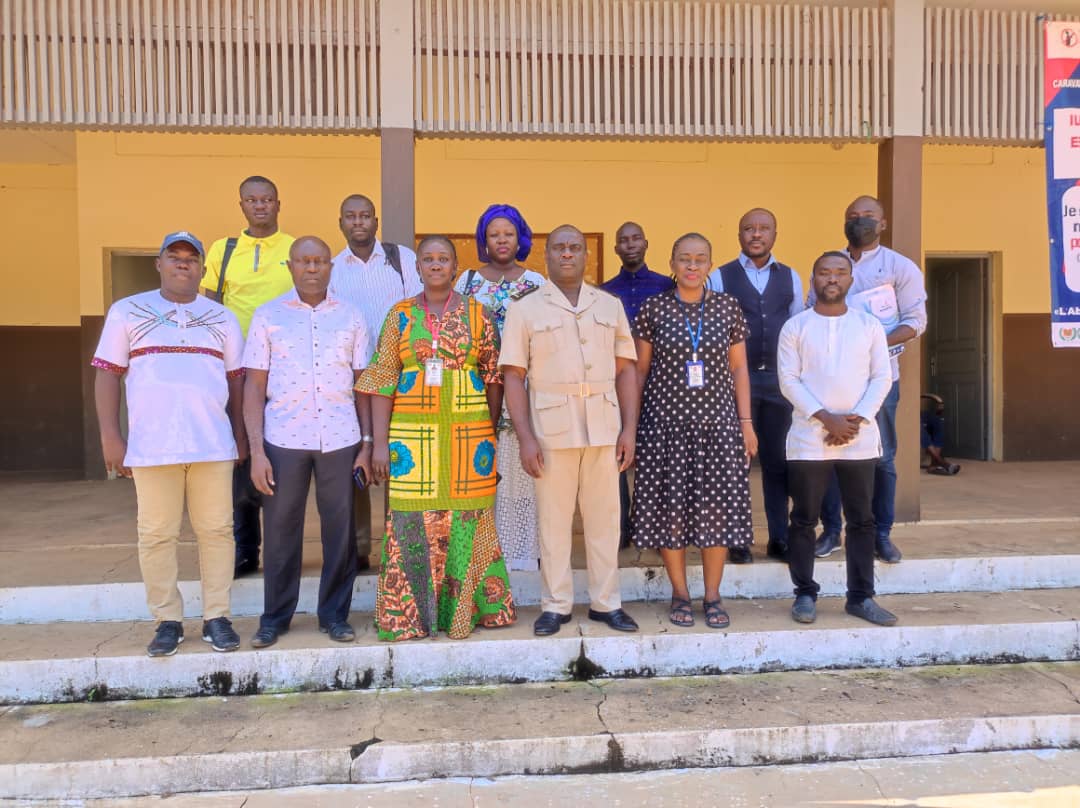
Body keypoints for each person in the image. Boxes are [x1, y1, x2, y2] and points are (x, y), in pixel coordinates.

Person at [93, 231, 246, 657]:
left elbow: (236, 382)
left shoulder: (222, 317)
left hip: (212, 445)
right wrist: (110, 436)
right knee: (157, 535)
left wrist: (240, 437)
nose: (183, 263)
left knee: (217, 532)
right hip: (152, 447)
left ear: (201, 268)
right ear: (158, 264)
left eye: (191, 258)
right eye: (174, 256)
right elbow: (107, 374)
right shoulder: (127, 311)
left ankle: (217, 616)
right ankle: (167, 621)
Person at [358, 235, 516, 642]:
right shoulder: (400, 315)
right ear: (417, 268)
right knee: (410, 516)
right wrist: (378, 443)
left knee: (469, 516)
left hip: (469, 436)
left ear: (455, 267)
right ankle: (410, 617)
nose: (435, 265)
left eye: (443, 259)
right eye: (427, 258)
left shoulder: (478, 314)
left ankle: (463, 613)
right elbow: (382, 379)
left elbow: (493, 376)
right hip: (410, 439)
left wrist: (489, 433)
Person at [501, 224, 640, 636]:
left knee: (605, 522)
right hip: (550, 430)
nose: (567, 254)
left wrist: (629, 430)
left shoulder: (609, 305)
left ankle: (606, 602)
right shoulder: (525, 309)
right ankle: (556, 605)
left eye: (574, 247)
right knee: (553, 523)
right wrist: (525, 437)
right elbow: (513, 376)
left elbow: (626, 370)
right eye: (559, 248)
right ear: (546, 257)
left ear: (585, 256)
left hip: (604, 427)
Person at [242, 236, 372, 648]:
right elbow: (253, 386)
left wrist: (367, 444)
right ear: (290, 266)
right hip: (283, 439)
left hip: (340, 437)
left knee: (340, 531)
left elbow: (363, 385)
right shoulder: (268, 316)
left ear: (331, 267)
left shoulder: (351, 316)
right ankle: (275, 618)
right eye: (304, 261)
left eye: (319, 261)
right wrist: (257, 451)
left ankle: (334, 615)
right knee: (281, 530)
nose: (312, 268)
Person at [631, 233, 757, 629]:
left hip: (718, 427)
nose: (692, 265)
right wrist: (631, 426)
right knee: (670, 511)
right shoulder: (653, 309)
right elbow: (639, 371)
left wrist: (746, 423)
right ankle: (680, 593)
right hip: (664, 428)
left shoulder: (727, 307)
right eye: (684, 258)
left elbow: (739, 368)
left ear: (709, 265)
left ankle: (713, 595)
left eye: (700, 259)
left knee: (716, 511)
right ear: (671, 263)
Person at [778, 251, 896, 626]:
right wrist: (827, 419)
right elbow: (788, 380)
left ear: (850, 280)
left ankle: (860, 597)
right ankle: (804, 593)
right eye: (824, 272)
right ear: (813, 279)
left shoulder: (869, 325)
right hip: (808, 437)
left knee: (861, 520)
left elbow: (882, 377)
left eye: (840, 272)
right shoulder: (795, 327)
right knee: (803, 519)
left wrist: (854, 420)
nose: (832, 278)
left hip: (859, 437)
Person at [814, 195, 927, 564]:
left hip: (880, 380)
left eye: (867, 215)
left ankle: (881, 534)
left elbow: (916, 322)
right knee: (829, 454)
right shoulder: (831, 264)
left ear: (883, 223)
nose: (859, 221)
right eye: (852, 216)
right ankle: (831, 531)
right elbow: (810, 312)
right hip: (831, 379)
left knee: (882, 457)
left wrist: (873, 344)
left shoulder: (900, 267)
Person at [201, 175, 296, 578]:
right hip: (236, 370)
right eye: (252, 200)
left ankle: (280, 549)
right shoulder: (223, 251)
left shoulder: (294, 248)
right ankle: (245, 549)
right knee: (240, 457)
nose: (260, 206)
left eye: (267, 199)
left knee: (280, 455)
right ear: (241, 205)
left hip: (284, 368)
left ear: (278, 204)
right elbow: (209, 307)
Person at [330, 193, 424, 573]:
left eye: (365, 216)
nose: (358, 222)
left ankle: (399, 546)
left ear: (375, 222)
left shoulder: (402, 260)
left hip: (402, 379)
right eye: (350, 216)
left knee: (399, 460)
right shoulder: (333, 269)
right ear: (341, 223)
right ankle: (359, 550)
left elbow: (420, 308)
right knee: (358, 459)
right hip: (352, 382)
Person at [707, 208, 803, 565]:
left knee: (778, 463)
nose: (756, 234)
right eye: (749, 228)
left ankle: (779, 538)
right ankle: (737, 540)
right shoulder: (719, 276)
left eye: (764, 228)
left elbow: (797, 329)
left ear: (775, 234)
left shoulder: (791, 276)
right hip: (734, 383)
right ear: (739, 235)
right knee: (735, 465)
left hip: (778, 382)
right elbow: (712, 330)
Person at [455, 204, 546, 571]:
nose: (502, 240)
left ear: (520, 237)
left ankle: (522, 552)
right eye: (494, 235)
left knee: (522, 474)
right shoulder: (466, 282)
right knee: (481, 469)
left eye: (509, 234)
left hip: (523, 388)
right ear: (484, 240)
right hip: (475, 390)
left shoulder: (537, 283)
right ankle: (482, 552)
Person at [601, 222, 675, 547]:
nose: (630, 244)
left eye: (635, 239)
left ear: (646, 244)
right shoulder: (604, 292)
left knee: (658, 458)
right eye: (623, 240)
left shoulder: (665, 286)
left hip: (660, 381)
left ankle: (655, 527)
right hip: (616, 381)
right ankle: (620, 528)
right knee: (616, 454)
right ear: (616, 248)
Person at [921, 394, 961, 475]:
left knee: (938, 422)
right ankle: (942, 462)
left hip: (917, 413)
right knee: (919, 429)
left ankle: (933, 464)